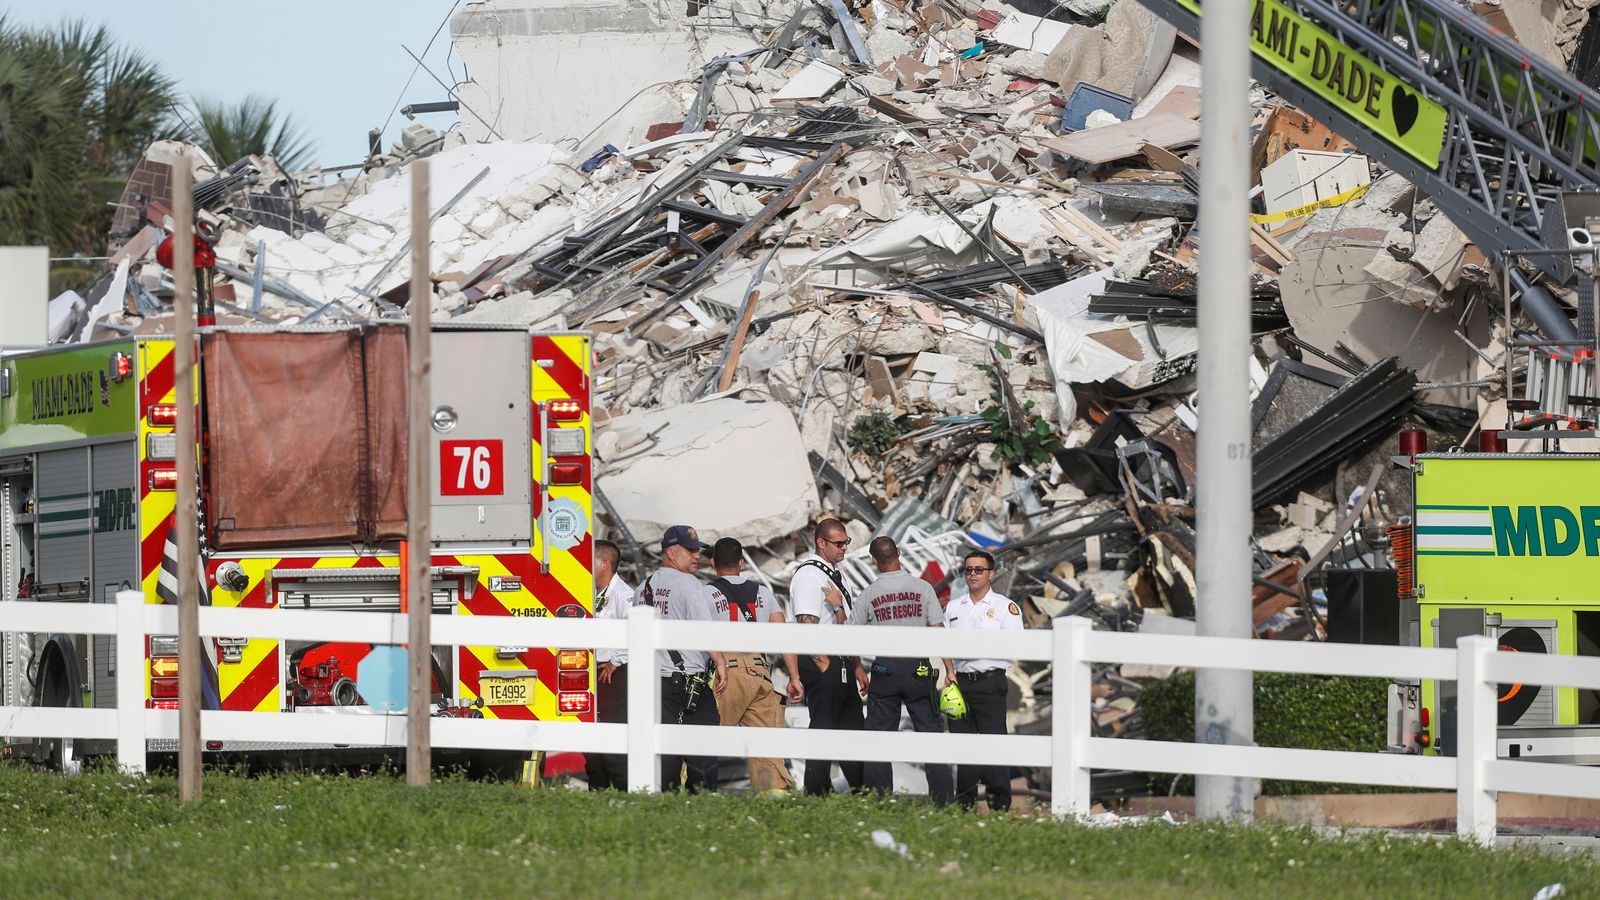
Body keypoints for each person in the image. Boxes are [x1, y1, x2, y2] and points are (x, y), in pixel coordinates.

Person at [851, 536, 953, 806]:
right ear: (899, 552)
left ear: (874, 561)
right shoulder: (922, 587)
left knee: (879, 738)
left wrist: (858, 669)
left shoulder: (869, 594)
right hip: (918, 668)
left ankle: (880, 801)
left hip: (885, 669)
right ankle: (943, 803)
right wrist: (950, 668)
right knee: (931, 735)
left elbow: (848, 634)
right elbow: (938, 631)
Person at [638, 525, 728, 793]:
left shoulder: (643, 588)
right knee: (703, 759)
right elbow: (703, 629)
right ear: (670, 552)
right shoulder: (688, 584)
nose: (695, 555)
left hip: (656, 685)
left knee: (664, 756)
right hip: (690, 685)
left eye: (697, 550)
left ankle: (666, 810)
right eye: (689, 550)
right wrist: (720, 663)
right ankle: (699, 808)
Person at [707, 537, 795, 794]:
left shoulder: (706, 593)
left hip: (726, 672)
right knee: (767, 750)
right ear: (742, 563)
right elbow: (784, 637)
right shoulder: (763, 593)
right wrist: (795, 677)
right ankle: (774, 801)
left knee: (702, 741)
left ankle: (686, 798)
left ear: (713, 563)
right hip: (760, 673)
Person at [785, 517, 865, 795]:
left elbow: (845, 623)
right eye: (838, 543)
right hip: (823, 660)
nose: (844, 548)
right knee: (825, 725)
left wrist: (856, 666)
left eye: (846, 542)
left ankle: (862, 788)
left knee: (852, 727)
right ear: (821, 543)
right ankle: (816, 790)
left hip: (840, 659)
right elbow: (806, 622)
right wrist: (824, 663)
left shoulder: (834, 574)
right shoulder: (809, 575)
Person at [942, 549, 1022, 812]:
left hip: (989, 682)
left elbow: (1014, 647)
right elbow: (944, 645)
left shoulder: (1005, 607)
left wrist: (975, 650)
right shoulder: (954, 607)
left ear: (991, 574)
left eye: (978, 570)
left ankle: (999, 805)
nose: (973, 574)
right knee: (963, 745)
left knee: (994, 743)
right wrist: (949, 671)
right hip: (960, 683)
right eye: (968, 570)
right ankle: (964, 805)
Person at [585, 540, 634, 792]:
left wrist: (615, 662)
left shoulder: (623, 595)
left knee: (612, 738)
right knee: (591, 740)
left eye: (589, 559)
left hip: (613, 676)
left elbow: (636, 630)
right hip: (594, 672)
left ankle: (627, 794)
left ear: (604, 564)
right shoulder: (593, 592)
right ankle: (598, 790)